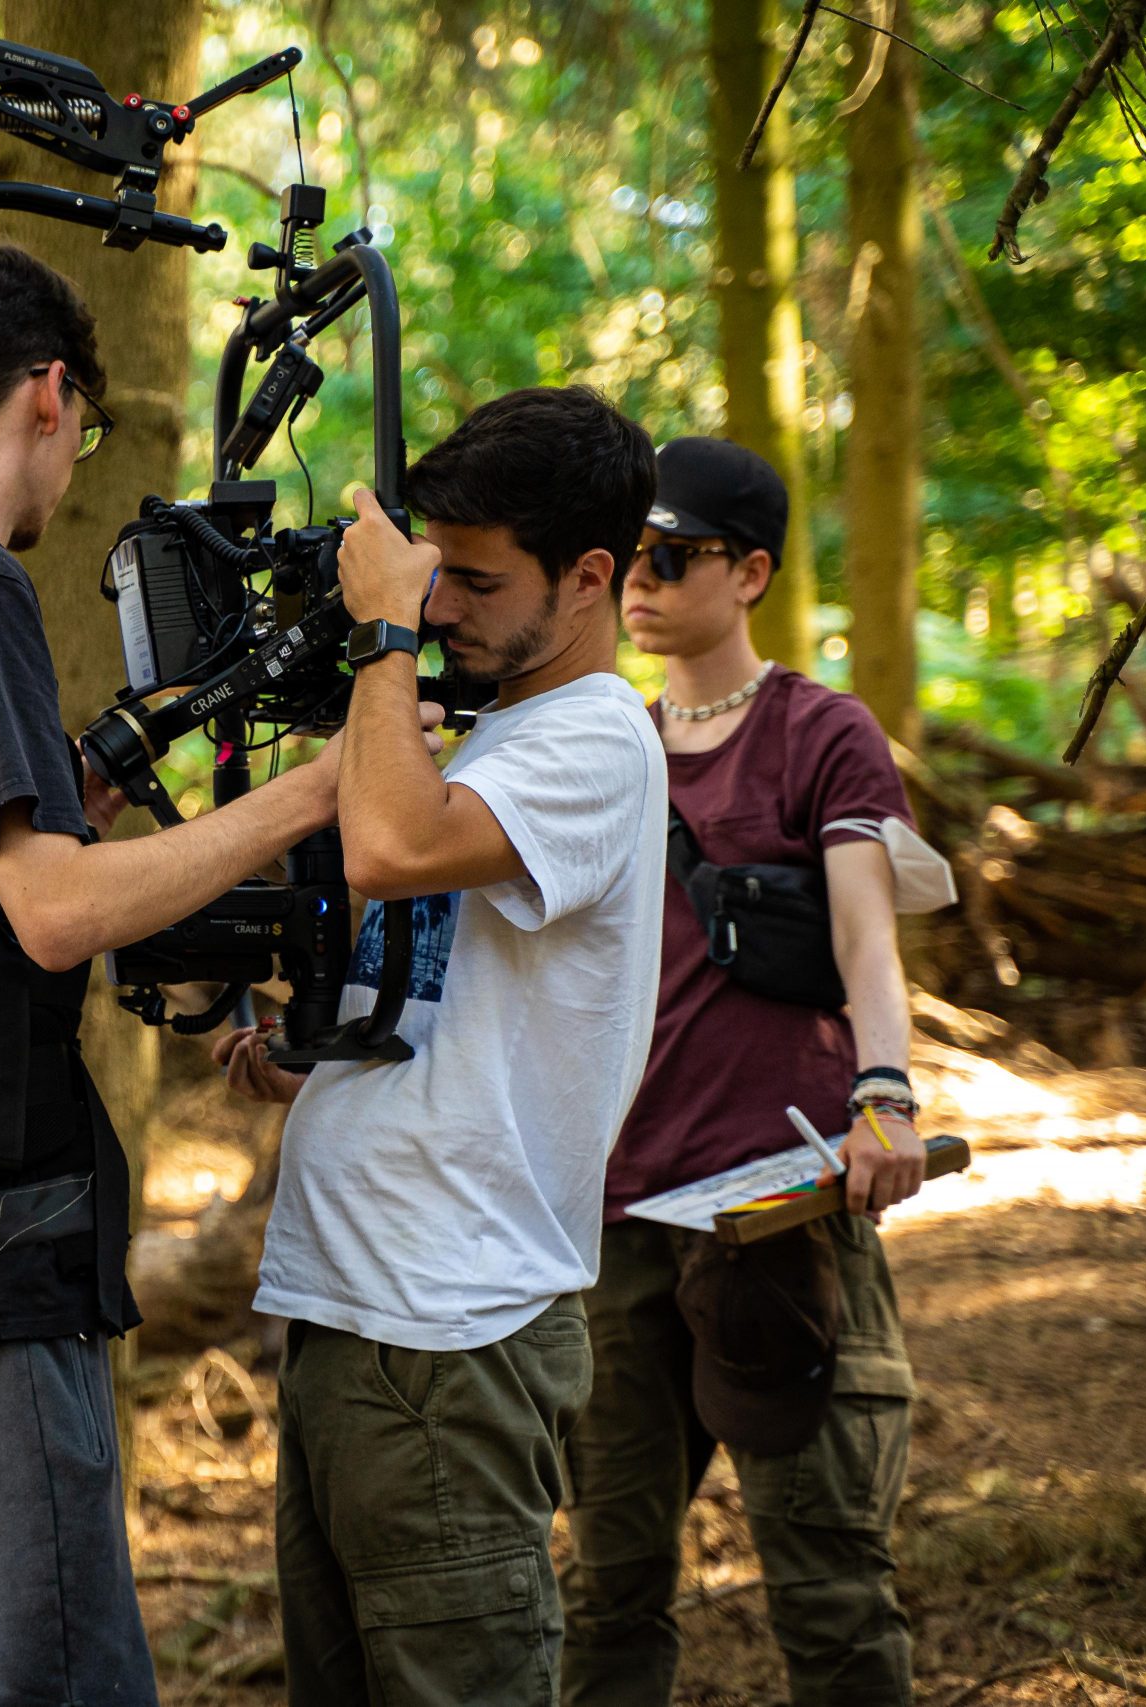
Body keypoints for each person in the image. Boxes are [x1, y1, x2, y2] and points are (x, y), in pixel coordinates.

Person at [0, 241, 389, 1707]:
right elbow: (52, 914)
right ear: (51, 397)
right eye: (86, 429)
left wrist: (97, 779)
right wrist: (314, 792)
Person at [211, 385, 668, 1705]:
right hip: (356, 1310)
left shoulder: (595, 734)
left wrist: (383, 630)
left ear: (590, 577)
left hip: (448, 1330)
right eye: (434, 573)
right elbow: (444, 974)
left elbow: (394, 848)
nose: (445, 605)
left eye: (476, 580)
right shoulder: (497, 733)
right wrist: (322, 1053)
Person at [561, 435, 929, 1707]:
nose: (639, 580)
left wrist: (884, 1095)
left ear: (752, 571)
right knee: (607, 1595)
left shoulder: (819, 732)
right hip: (615, 1217)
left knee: (830, 1590)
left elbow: (865, 936)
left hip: (775, 1207)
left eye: (673, 556)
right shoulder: (599, 742)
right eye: (629, 556)